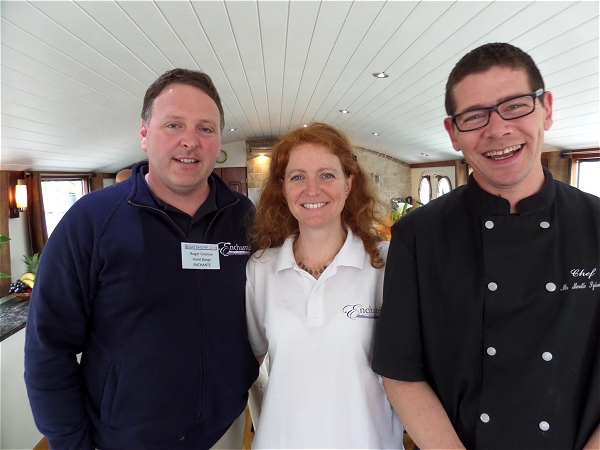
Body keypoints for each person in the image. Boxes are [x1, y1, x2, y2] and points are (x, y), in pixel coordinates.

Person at [372, 42, 600, 449]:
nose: (497, 130)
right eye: (474, 116)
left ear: (546, 107)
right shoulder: (417, 236)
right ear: (453, 133)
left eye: (515, 105)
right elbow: (401, 372)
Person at [24, 68, 258, 449]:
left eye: (205, 128)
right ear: (145, 134)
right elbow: (48, 346)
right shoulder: (92, 221)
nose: (190, 141)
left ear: (218, 142)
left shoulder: (244, 218)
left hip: (224, 431)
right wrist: (71, 443)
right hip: (125, 438)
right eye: (173, 125)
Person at [245, 122, 404, 448]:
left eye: (327, 175)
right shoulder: (261, 268)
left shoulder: (387, 264)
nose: (312, 189)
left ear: (349, 183)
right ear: (283, 188)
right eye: (298, 176)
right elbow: (250, 361)